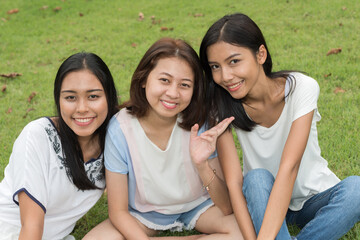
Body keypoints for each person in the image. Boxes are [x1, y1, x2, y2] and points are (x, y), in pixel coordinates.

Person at [199, 13, 360, 240]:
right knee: (255, 178)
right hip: (262, 199)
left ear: (260, 55)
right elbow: (235, 183)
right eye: (215, 66)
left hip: (312, 199)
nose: (225, 76)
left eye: (234, 61)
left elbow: (290, 166)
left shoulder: (301, 88)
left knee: (357, 190)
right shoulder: (220, 104)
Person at [83, 37, 242, 240]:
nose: (173, 93)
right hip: (142, 215)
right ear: (143, 79)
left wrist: (202, 164)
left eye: (184, 85)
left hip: (200, 207)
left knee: (244, 230)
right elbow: (118, 212)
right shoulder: (120, 129)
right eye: (164, 80)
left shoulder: (202, 120)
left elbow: (227, 206)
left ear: (194, 90)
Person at [0, 52, 119, 240]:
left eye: (93, 96)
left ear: (109, 97)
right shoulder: (37, 137)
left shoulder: (117, 143)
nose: (81, 108)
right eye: (70, 98)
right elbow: (31, 227)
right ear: (59, 100)